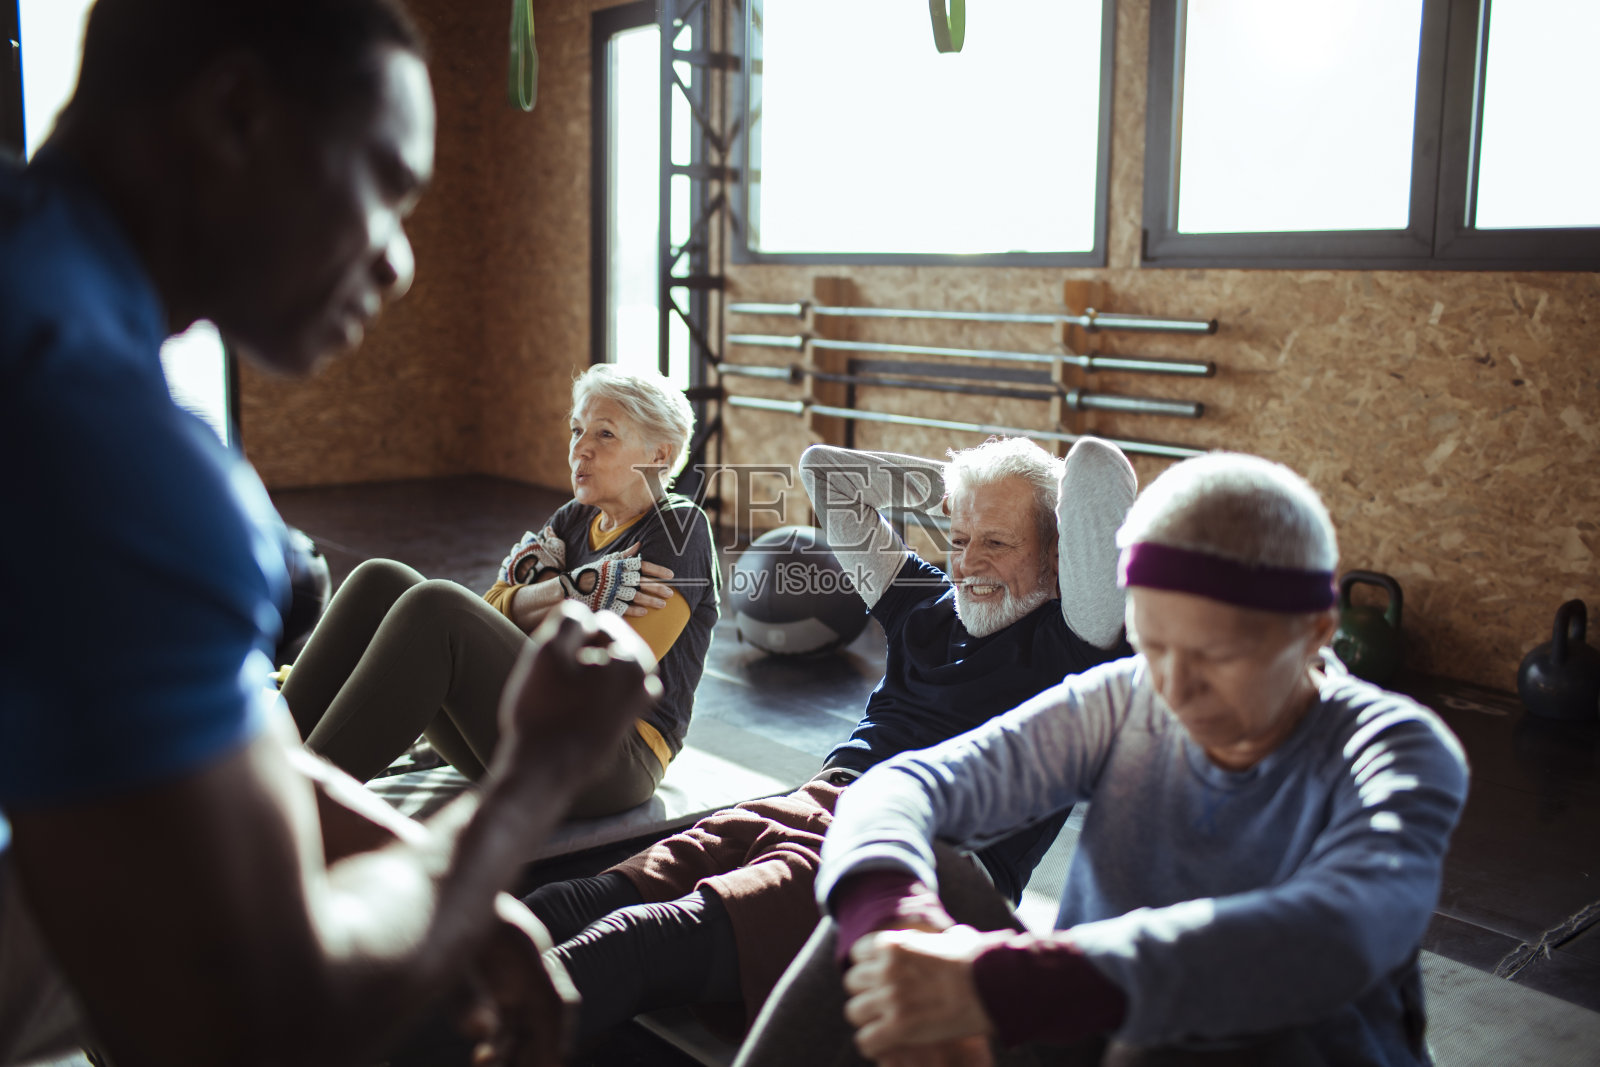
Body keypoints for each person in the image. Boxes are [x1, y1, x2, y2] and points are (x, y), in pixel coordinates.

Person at [0, 3, 658, 1065]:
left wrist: (442, 879)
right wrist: (533, 777)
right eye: (386, 185)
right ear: (237, 111)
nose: (398, 262)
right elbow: (269, 1022)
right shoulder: (101, 440)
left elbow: (154, 735)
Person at [739, 452, 1471, 1067]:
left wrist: (1006, 984)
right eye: (1153, 644)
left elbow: (1335, 931)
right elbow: (904, 785)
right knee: (914, 885)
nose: (1175, 688)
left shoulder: (1393, 745)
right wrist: (895, 917)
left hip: (1274, 1045)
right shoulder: (1125, 695)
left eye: (1215, 654)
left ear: (1317, 631)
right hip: (1094, 1022)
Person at [520, 434, 1140, 1045]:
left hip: (918, 854)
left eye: (997, 542)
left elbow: (1096, 467)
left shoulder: (1076, 642)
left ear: (1058, 552)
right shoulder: (923, 601)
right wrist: (967, 493)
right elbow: (826, 472)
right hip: (804, 805)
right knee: (564, 904)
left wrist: (1010, 487)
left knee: (635, 943)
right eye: (958, 539)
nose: (969, 563)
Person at [281, 362, 719, 816]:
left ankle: (293, 809)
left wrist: (535, 598)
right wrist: (580, 592)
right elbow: (492, 604)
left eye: (605, 435)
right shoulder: (574, 518)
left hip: (605, 758)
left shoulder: (677, 528)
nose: (580, 449)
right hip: (527, 733)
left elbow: (601, 680)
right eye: (576, 430)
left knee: (438, 608)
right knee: (381, 580)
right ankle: (263, 754)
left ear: (660, 456)